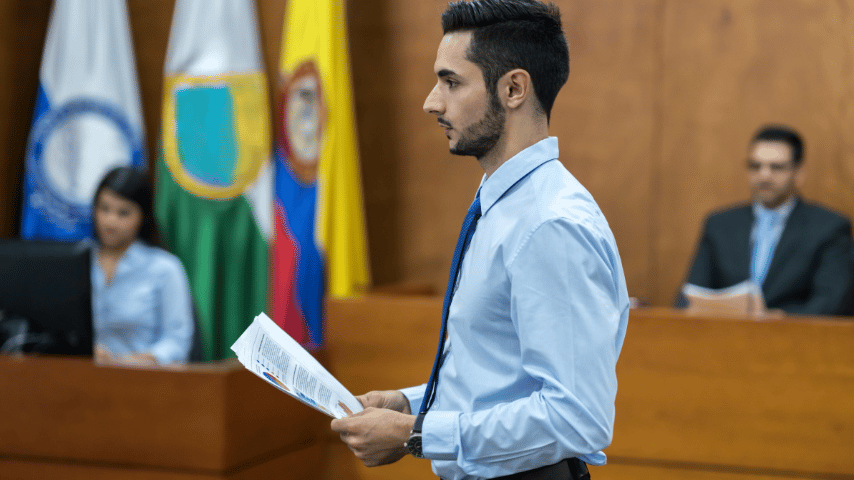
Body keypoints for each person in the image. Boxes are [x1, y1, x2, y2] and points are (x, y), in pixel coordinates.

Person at [330, 1, 630, 479]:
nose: (432, 101)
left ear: (513, 88)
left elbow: (578, 418)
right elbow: (499, 375)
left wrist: (417, 434)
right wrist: (410, 404)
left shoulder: (549, 224)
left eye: (451, 82)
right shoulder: (506, 202)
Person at [680, 125, 854, 316]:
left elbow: (832, 302)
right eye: (756, 166)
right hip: (726, 337)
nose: (764, 175)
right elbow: (689, 297)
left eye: (776, 167)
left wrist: (781, 319)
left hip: (795, 340)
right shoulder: (720, 225)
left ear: (799, 173)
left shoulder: (829, 228)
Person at [91, 167, 195, 365]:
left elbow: (177, 342)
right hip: (81, 377)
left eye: (123, 213)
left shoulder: (165, 268)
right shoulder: (80, 261)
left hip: (145, 380)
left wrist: (135, 361)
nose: (110, 221)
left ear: (143, 216)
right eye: (104, 209)